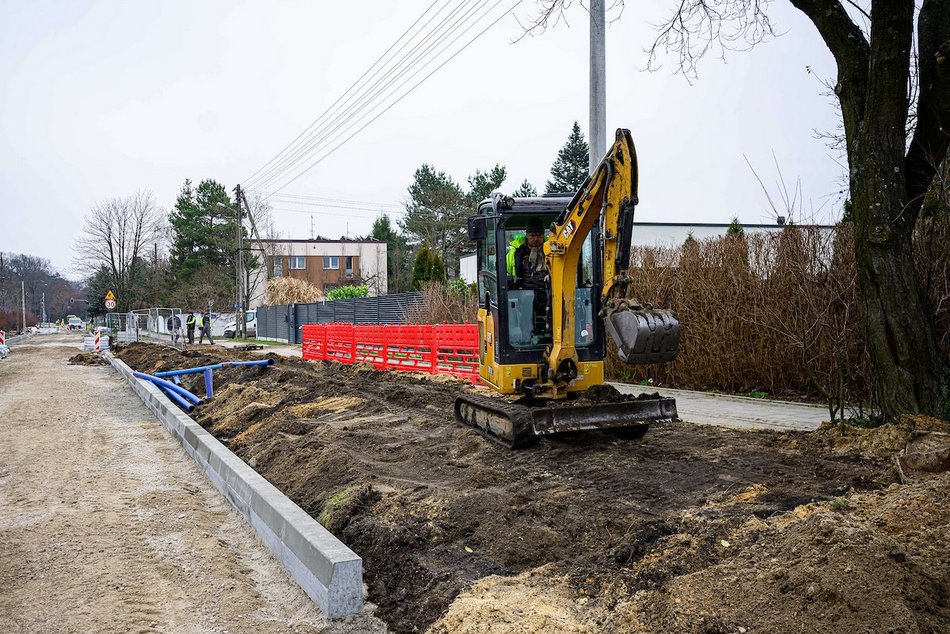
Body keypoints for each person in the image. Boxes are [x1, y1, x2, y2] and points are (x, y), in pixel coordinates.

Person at [506, 217, 550, 337]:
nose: (536, 239)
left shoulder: (553, 250)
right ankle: (527, 336)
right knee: (527, 303)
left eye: (539, 235)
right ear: (526, 235)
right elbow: (508, 273)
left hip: (549, 292)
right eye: (532, 235)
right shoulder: (515, 253)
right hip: (525, 294)